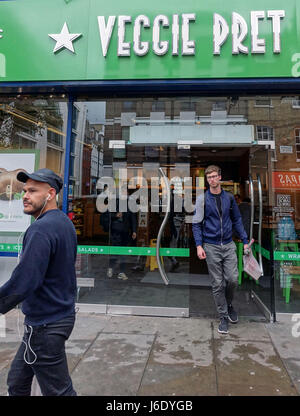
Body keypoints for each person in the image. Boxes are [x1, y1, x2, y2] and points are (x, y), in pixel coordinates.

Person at [0, 168, 77, 396]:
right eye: (24, 190)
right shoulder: (63, 222)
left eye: (33, 191)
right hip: (52, 319)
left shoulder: (41, 229)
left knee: (60, 392)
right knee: (17, 381)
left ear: (50, 194)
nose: (25, 195)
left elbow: (25, 281)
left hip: (46, 325)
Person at [192, 165, 249, 335]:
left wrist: (244, 240)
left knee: (232, 279)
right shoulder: (202, 199)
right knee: (217, 283)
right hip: (211, 246)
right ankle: (223, 316)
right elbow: (196, 224)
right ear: (207, 180)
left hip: (229, 244)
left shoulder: (229, 198)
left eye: (215, 176)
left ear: (220, 177)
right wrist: (199, 245)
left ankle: (229, 304)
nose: (212, 179)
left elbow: (237, 219)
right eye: (209, 177)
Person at [106, 197, 137, 280]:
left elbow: (133, 218)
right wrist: (116, 215)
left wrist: (134, 231)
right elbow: (107, 215)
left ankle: (121, 272)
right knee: (114, 251)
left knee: (123, 252)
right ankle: (110, 268)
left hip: (125, 232)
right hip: (115, 231)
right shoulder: (114, 202)